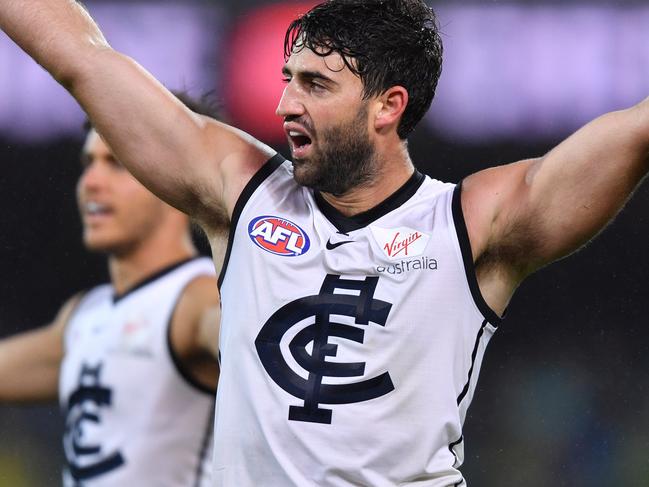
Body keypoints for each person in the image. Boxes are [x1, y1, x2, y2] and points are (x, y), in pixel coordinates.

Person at [2, 0, 648, 485]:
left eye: (314, 84)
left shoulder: (472, 223)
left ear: (387, 105)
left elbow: (634, 131)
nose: (283, 102)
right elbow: (81, 56)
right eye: (288, 77)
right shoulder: (240, 192)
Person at [0, 93, 226, 486]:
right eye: (89, 163)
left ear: (176, 180)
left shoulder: (198, 299)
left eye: (117, 165)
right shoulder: (85, 316)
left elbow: (262, 352)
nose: (91, 182)